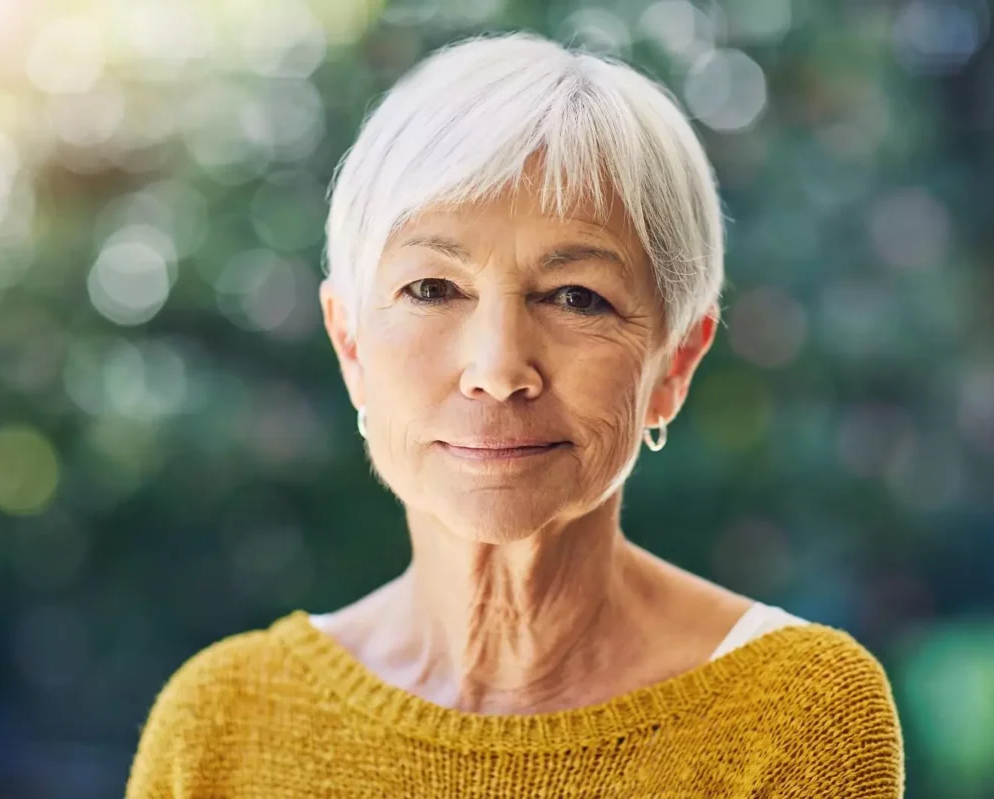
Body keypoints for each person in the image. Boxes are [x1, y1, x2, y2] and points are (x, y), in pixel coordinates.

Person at [125, 32, 904, 798]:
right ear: (350, 344)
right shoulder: (219, 725)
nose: (498, 369)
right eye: (432, 288)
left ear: (674, 364)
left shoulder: (797, 715)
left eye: (575, 297)